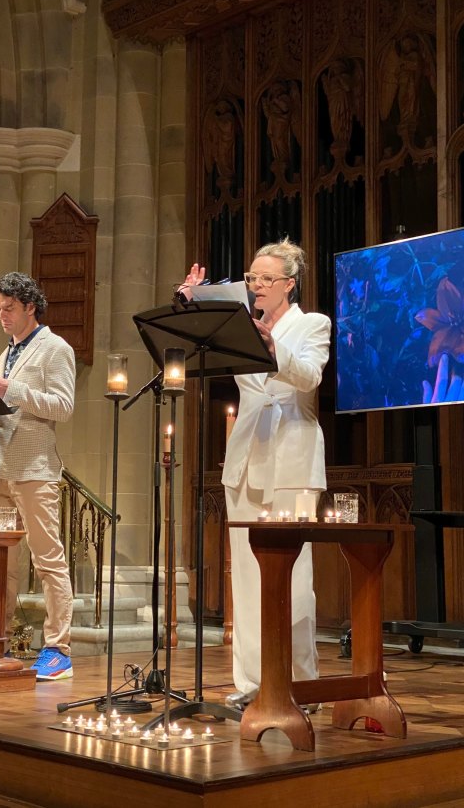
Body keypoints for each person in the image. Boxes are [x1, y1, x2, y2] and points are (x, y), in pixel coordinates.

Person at [181, 238, 331, 710]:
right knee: (245, 577)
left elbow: (310, 377)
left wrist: (273, 349)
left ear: (289, 283)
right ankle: (251, 684)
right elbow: (198, 349)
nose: (257, 287)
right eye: (251, 279)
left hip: (291, 455)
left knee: (291, 575)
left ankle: (298, 686)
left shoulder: (312, 324)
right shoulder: (239, 325)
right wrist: (190, 306)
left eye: (266, 280)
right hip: (246, 455)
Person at [0, 272, 76, 681]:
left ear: (30, 307)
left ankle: (58, 649)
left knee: (48, 559)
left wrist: (12, 391)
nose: (1, 316)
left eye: (9, 309)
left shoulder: (55, 348)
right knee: (1, 560)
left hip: (34, 469)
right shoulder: (8, 353)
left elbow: (63, 406)